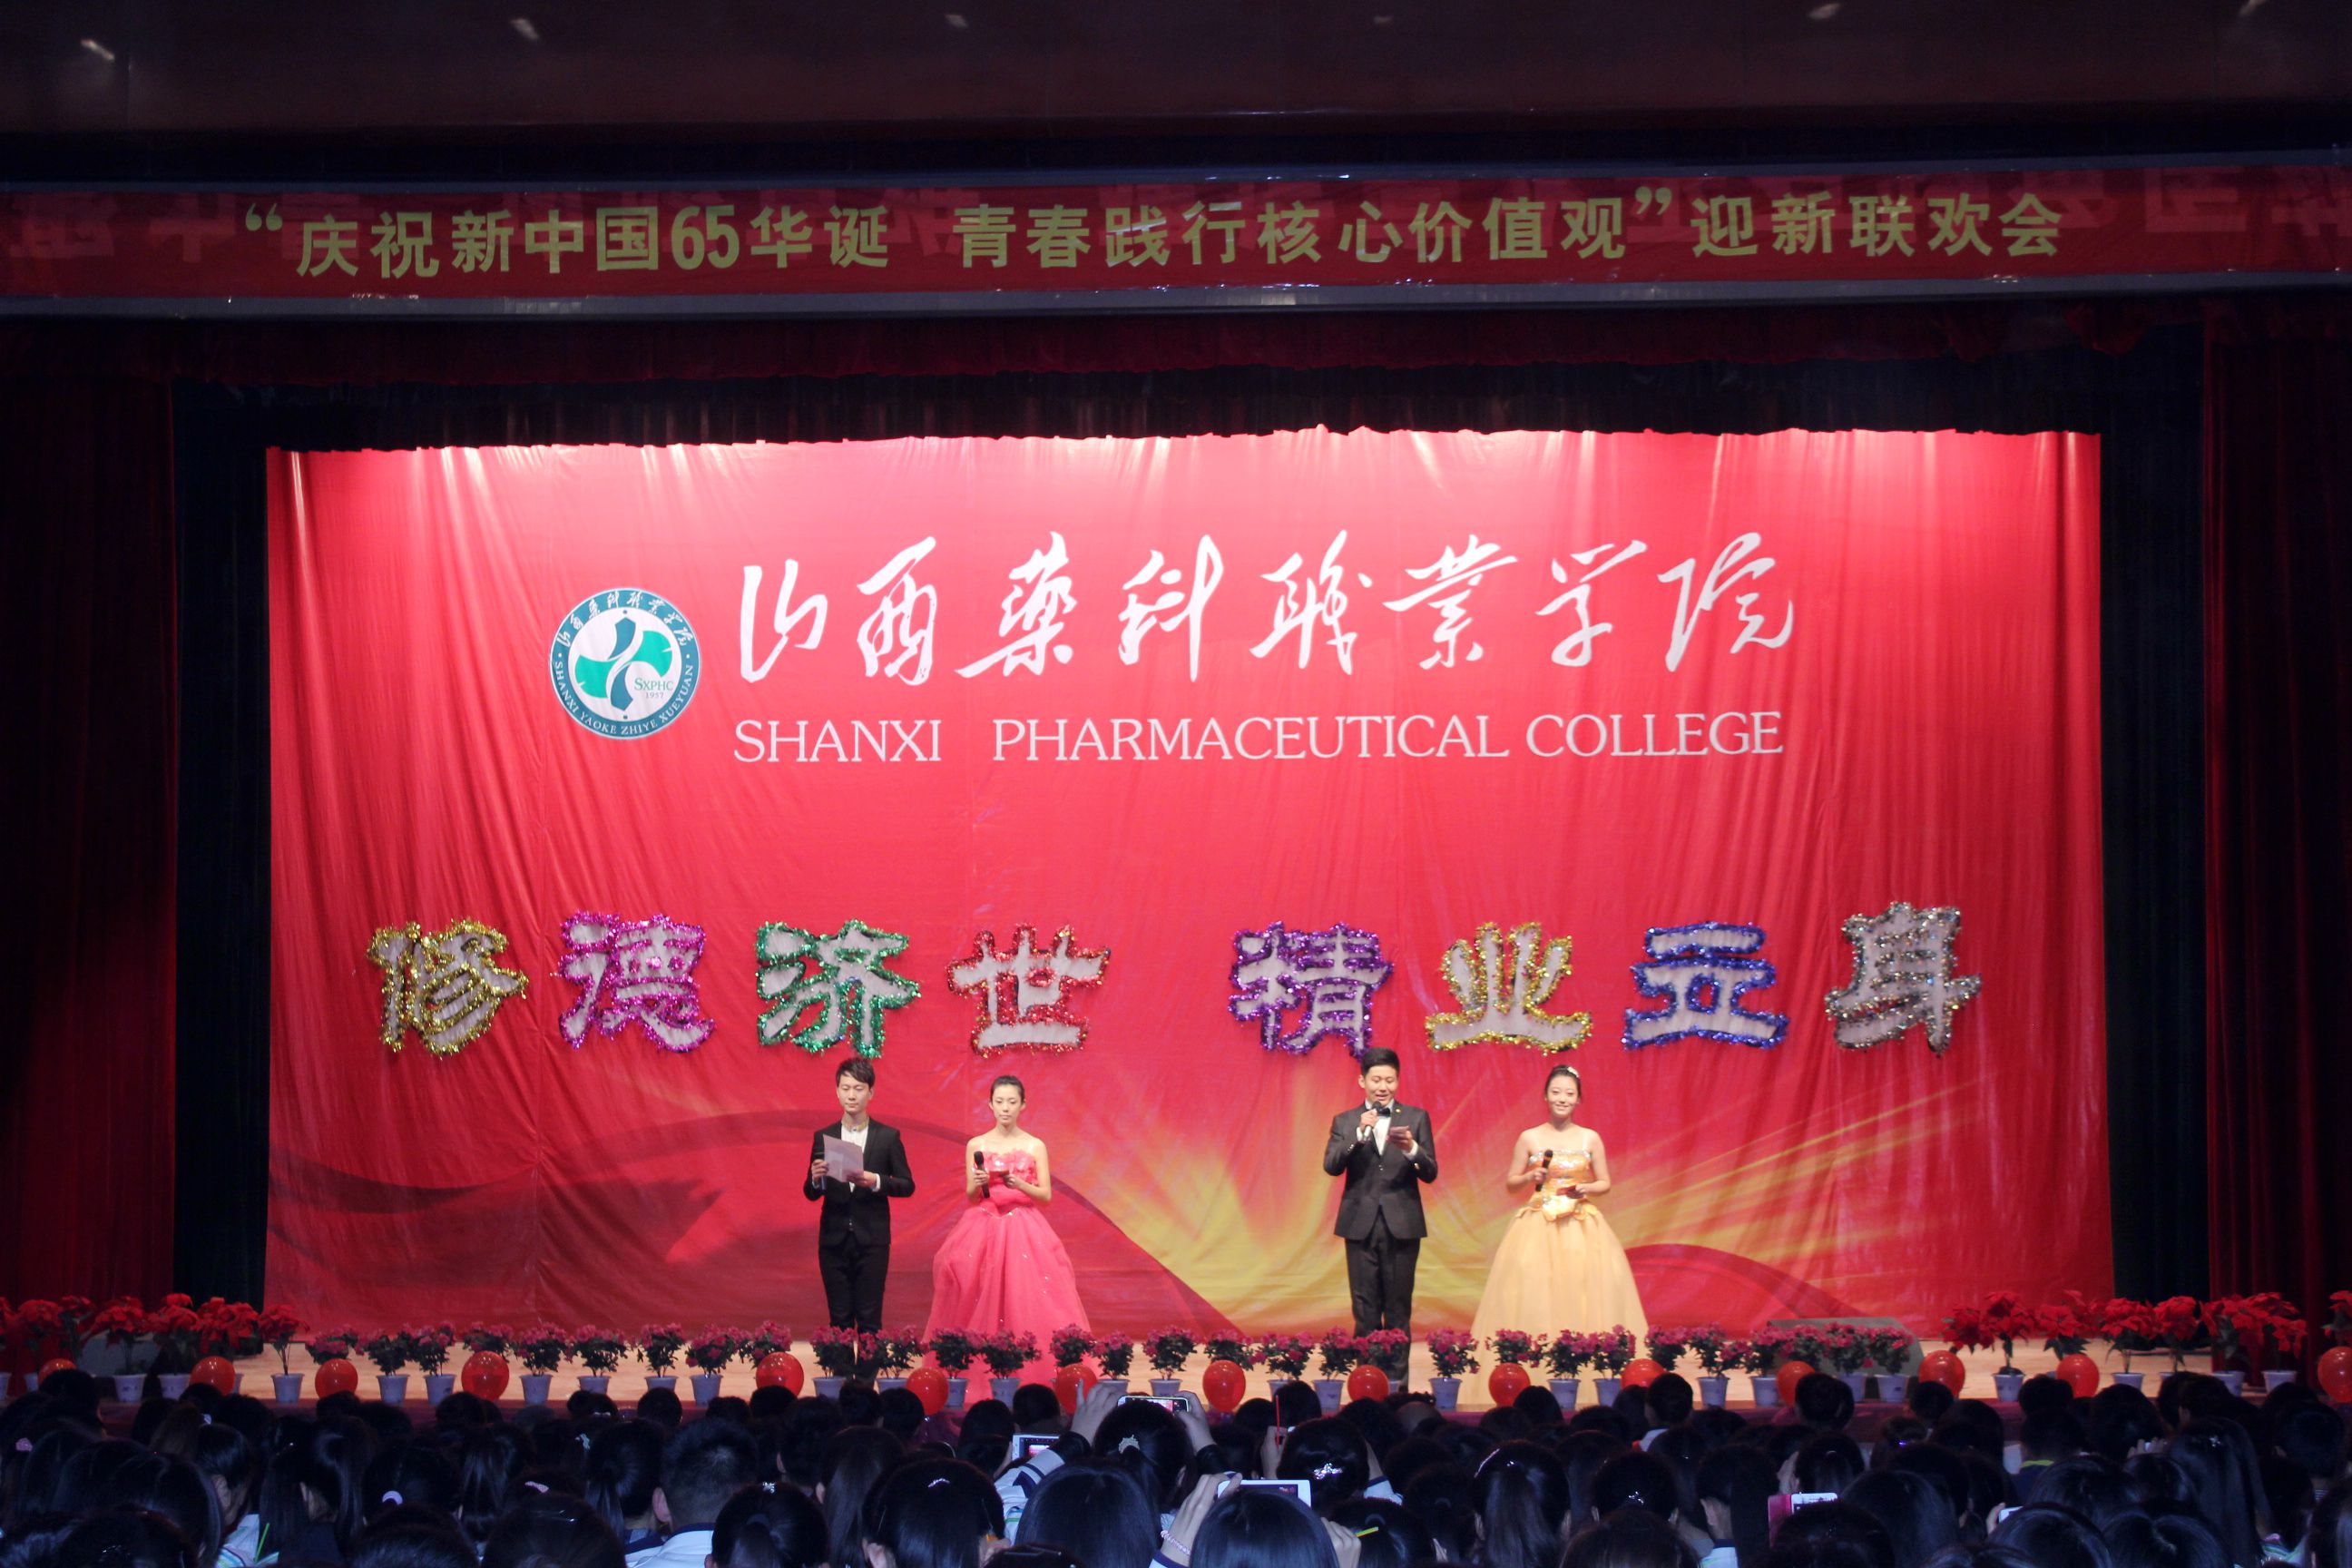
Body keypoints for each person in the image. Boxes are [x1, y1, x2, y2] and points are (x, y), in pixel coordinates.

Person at [1468, 1063, 1648, 1348]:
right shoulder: (1529, 1137)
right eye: (1556, 1092)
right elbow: (1511, 1183)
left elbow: (1605, 1183)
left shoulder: (1590, 1138)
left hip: (1580, 1223)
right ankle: (1536, 1350)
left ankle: (1584, 1350)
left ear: (1578, 1099)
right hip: (1539, 1222)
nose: (1562, 1098)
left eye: (1569, 1093)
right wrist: (1530, 1177)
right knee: (1534, 1286)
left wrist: (1586, 1188)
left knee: (1583, 1286)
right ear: (1545, 1096)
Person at [924, 1074, 1090, 1378]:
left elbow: (1045, 1196)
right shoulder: (976, 1144)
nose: (1005, 1108)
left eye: (1012, 1102)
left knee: (1027, 1296)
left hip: (1023, 1226)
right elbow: (972, 1196)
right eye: (999, 1101)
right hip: (982, 1225)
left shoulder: (1034, 1145)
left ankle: (1034, 1371)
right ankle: (975, 1371)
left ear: (1023, 1105)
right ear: (990, 1104)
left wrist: (1020, 1184)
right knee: (974, 1293)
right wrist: (980, 1182)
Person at [1322, 1046, 1438, 1339]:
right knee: (1365, 1309)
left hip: (1402, 1224)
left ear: (1397, 1081)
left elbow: (1430, 1173)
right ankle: (1367, 1370)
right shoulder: (1346, 1121)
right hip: (1359, 1223)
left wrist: (1412, 1148)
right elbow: (1332, 1166)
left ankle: (1397, 1372)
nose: (1382, 1087)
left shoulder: (1416, 1118)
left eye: (1389, 1080)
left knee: (1399, 1308)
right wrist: (1358, 1134)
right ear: (1362, 1081)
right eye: (1376, 1080)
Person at [805, 1055, 917, 1332]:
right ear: (837, 1091)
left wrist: (875, 1180)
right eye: (845, 1088)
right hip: (833, 1239)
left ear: (871, 1092)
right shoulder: (824, 1136)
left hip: (872, 1240)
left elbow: (907, 1185)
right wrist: (816, 1179)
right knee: (839, 1318)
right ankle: (840, 1363)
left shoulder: (888, 1137)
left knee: (869, 1318)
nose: (851, 1095)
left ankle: (867, 1364)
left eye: (858, 1089)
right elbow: (810, 1192)